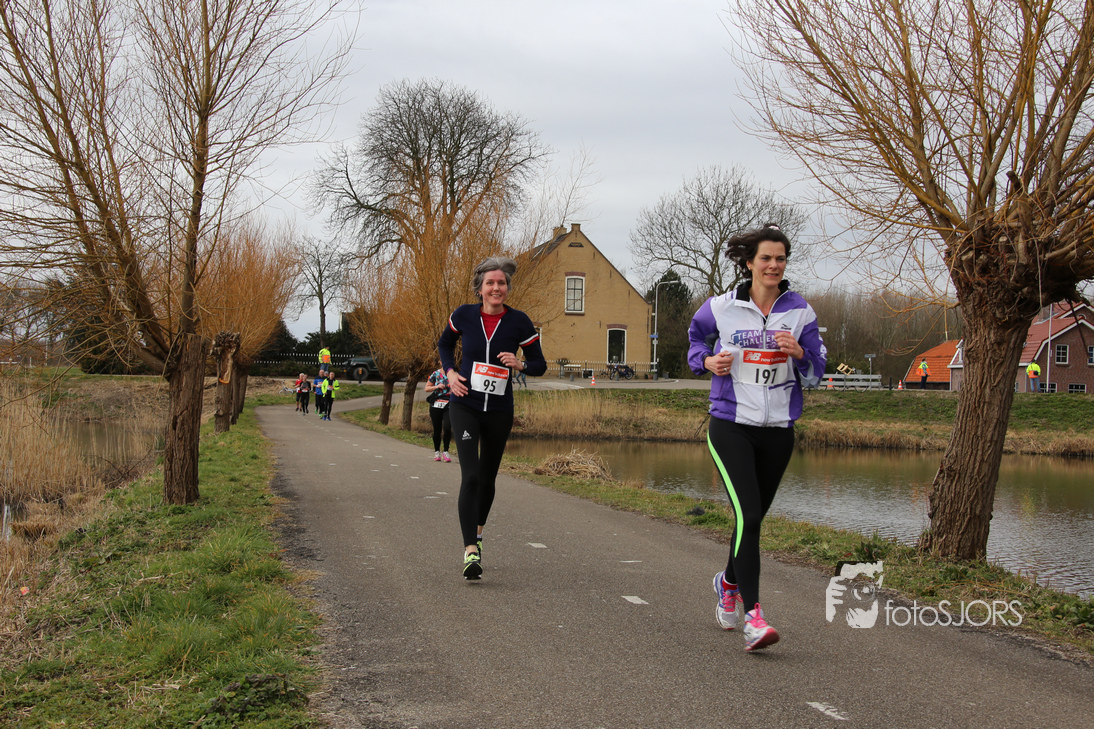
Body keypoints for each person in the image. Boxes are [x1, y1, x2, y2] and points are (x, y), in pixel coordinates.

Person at [687, 224, 827, 651]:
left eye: (780, 258)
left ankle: (727, 582)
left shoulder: (800, 312)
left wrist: (800, 353)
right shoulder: (721, 307)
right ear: (749, 263)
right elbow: (695, 342)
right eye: (765, 258)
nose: (773, 265)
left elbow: (817, 372)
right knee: (748, 515)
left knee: (752, 520)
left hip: (778, 431)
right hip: (730, 425)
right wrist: (708, 361)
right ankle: (754, 618)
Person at [439, 256, 547, 580]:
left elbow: (540, 364)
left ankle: (479, 532)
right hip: (465, 404)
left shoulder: (519, 322)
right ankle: (470, 550)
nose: (496, 288)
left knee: (487, 479)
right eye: (490, 283)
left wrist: (520, 364)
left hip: (499, 410)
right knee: (470, 476)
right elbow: (445, 343)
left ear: (507, 288)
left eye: (501, 283)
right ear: (480, 288)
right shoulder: (464, 315)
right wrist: (450, 374)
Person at [425, 360, 453, 462]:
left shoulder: (454, 374)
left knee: (447, 427)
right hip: (436, 404)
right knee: (437, 429)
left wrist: (453, 390)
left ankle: (446, 451)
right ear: (440, 362)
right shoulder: (435, 374)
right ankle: (437, 451)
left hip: (448, 404)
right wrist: (437, 386)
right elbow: (426, 388)